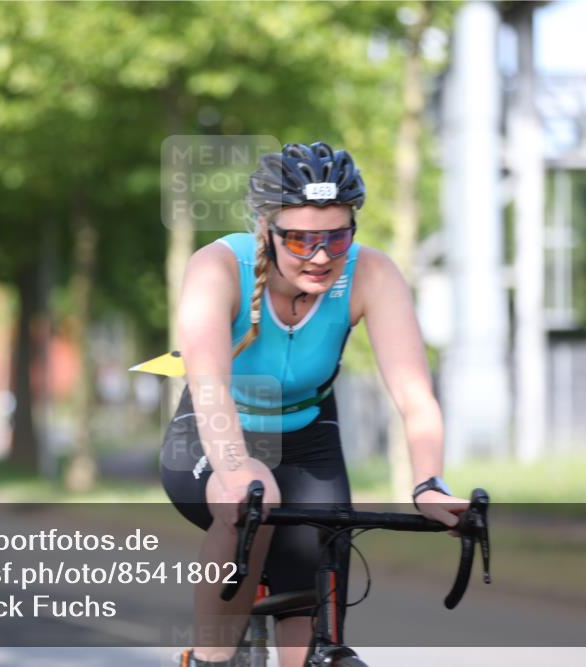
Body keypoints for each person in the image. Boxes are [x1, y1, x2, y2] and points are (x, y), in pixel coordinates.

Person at [160, 142, 469, 667]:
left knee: (313, 624)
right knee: (253, 495)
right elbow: (209, 386)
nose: (321, 256)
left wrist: (429, 483)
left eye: (337, 237)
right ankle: (210, 657)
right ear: (266, 229)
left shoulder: (371, 273)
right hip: (214, 432)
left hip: (308, 438)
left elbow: (415, 394)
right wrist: (234, 471)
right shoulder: (217, 267)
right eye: (301, 240)